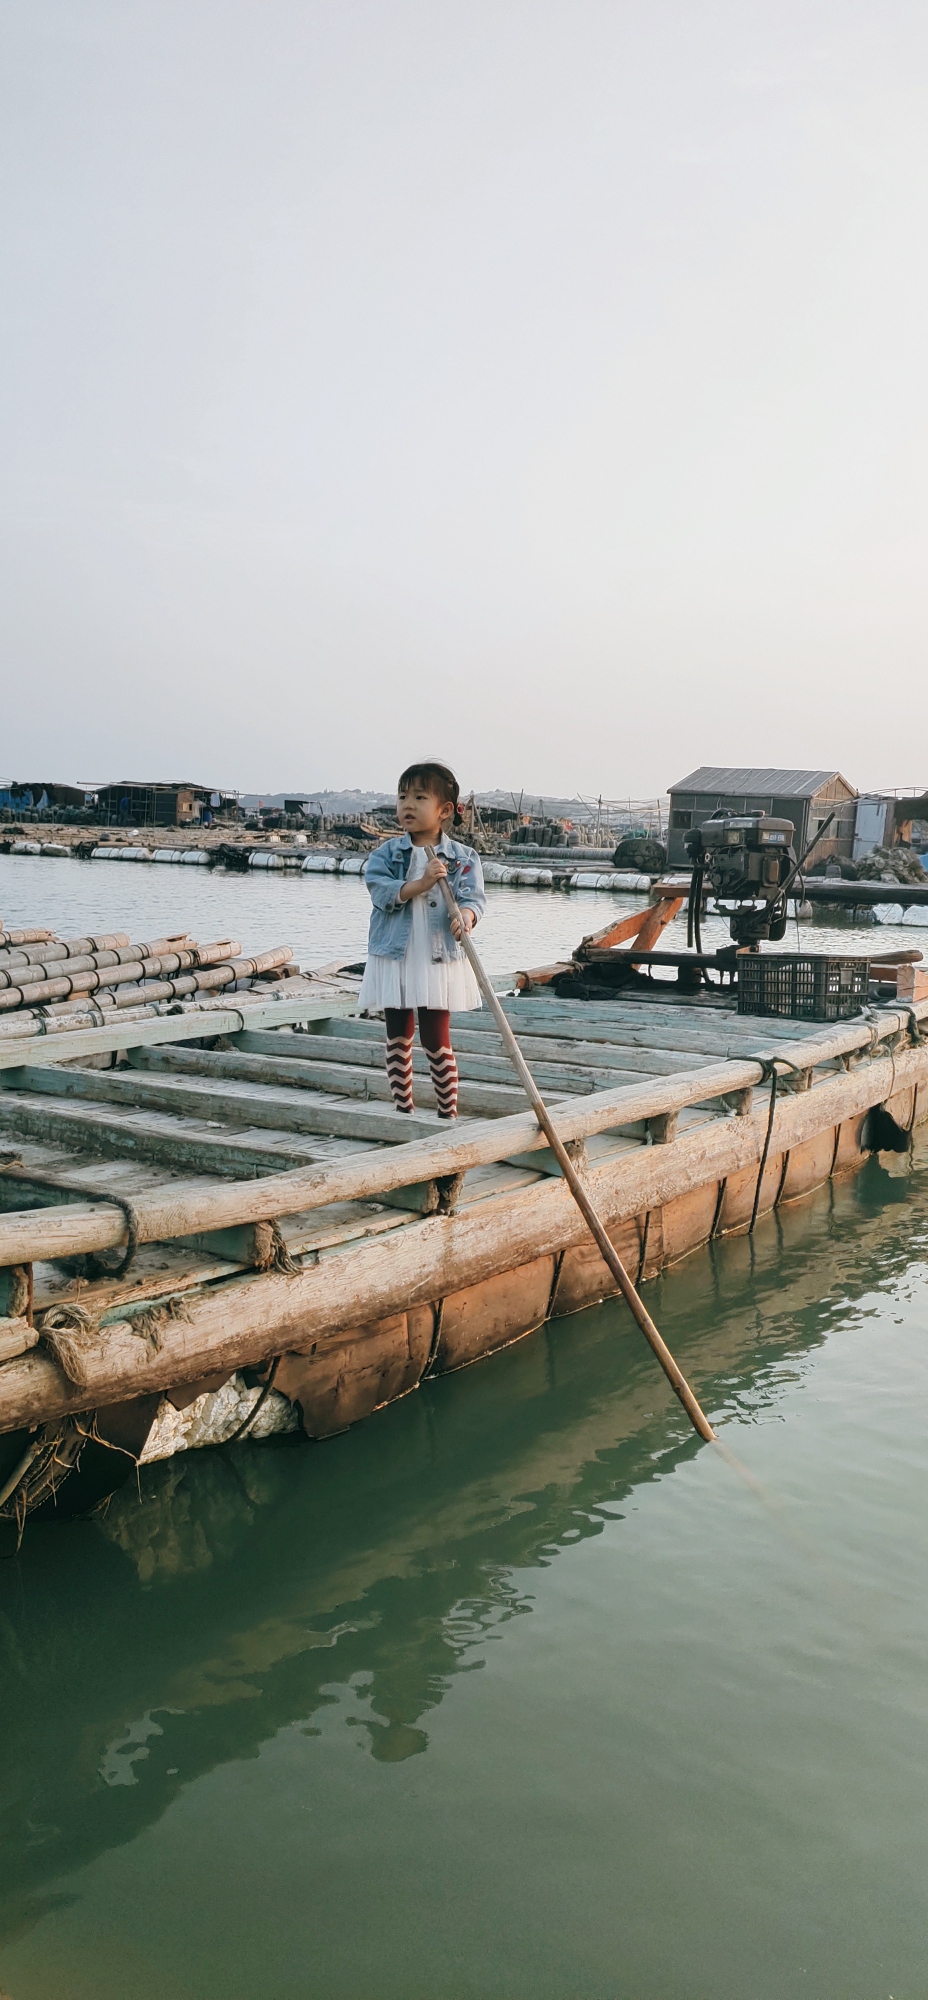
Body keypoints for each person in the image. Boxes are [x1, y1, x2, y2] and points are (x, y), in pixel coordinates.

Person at [358, 761, 486, 1119]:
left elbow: (473, 898)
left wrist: (466, 917)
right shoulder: (386, 854)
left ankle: (447, 1113)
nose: (407, 805)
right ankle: (404, 1111)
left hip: (436, 955)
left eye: (418, 797)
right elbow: (381, 892)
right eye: (402, 797)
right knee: (398, 1034)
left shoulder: (463, 857)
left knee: (435, 1036)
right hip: (395, 953)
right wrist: (423, 883)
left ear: (445, 810)